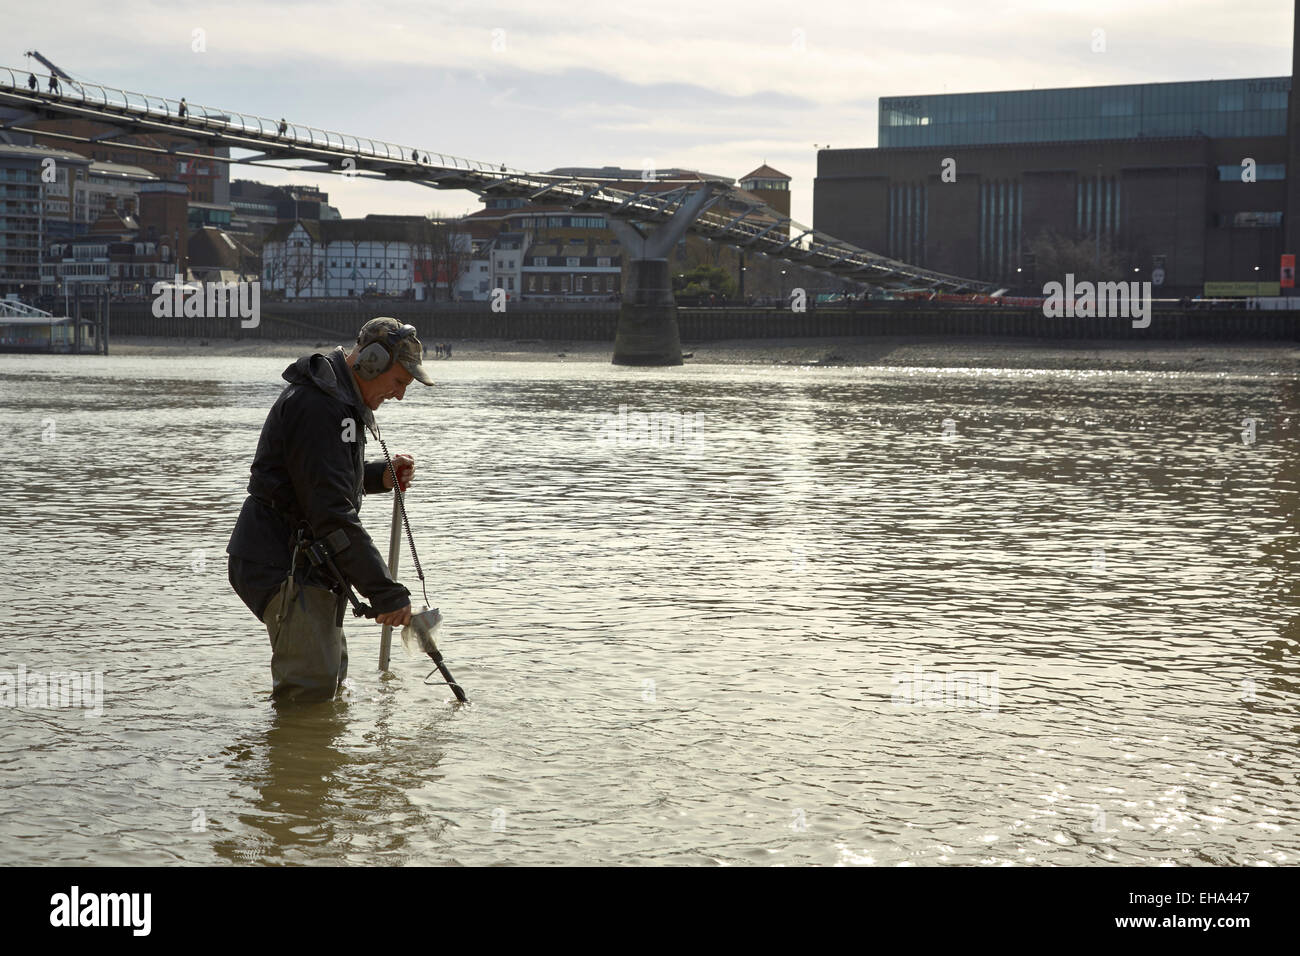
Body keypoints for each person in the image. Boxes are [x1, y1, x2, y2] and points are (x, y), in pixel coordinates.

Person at [226, 318, 435, 702]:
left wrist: (379, 478)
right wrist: (386, 592)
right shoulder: (320, 406)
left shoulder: (337, 399)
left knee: (328, 681)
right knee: (309, 693)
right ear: (372, 362)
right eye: (400, 382)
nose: (400, 395)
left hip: (304, 562)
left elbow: (319, 483)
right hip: (281, 564)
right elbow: (332, 513)